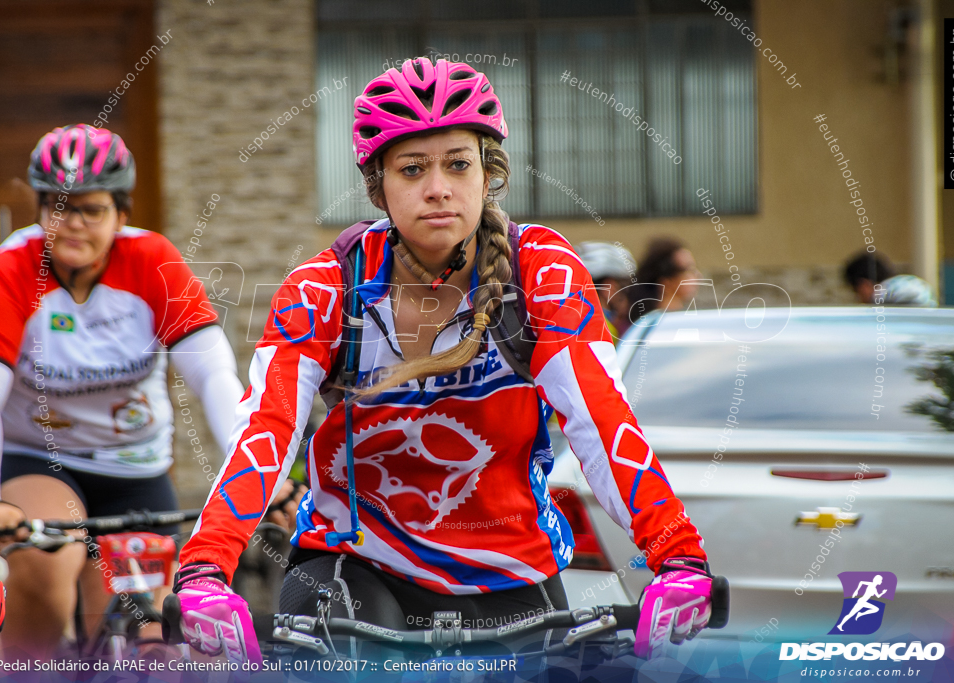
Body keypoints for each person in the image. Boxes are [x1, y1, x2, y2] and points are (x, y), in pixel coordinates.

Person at [169, 58, 719, 665]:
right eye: (413, 169)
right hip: (357, 566)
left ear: (488, 174)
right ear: (379, 186)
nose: (438, 187)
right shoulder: (324, 287)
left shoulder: (543, 271)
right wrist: (204, 571)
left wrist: (678, 556)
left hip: (513, 570)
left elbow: (602, 421)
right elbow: (267, 431)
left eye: (458, 163)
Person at [0, 124, 245, 659]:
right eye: (58, 208)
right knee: (44, 568)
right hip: (40, 460)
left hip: (134, 468)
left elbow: (214, 376)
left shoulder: (153, 261)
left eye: (91, 209)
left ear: (122, 214)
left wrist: (250, 473)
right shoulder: (5, 269)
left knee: (150, 636)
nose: (73, 224)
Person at [628, 237, 701, 324]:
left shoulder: (685, 320)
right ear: (666, 282)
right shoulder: (652, 325)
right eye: (688, 270)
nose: (698, 275)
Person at [575, 241, 636, 340]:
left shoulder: (574, 322)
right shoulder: (605, 331)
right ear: (609, 287)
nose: (626, 300)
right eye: (624, 287)